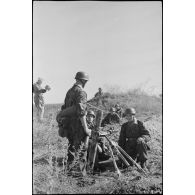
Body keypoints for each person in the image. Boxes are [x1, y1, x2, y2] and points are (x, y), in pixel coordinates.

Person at [56, 71, 91, 176]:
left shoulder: (69, 91)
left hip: (69, 125)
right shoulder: (81, 93)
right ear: (84, 81)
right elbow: (81, 112)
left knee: (71, 148)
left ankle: (70, 172)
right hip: (78, 125)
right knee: (81, 149)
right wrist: (86, 128)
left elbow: (64, 108)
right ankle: (81, 177)